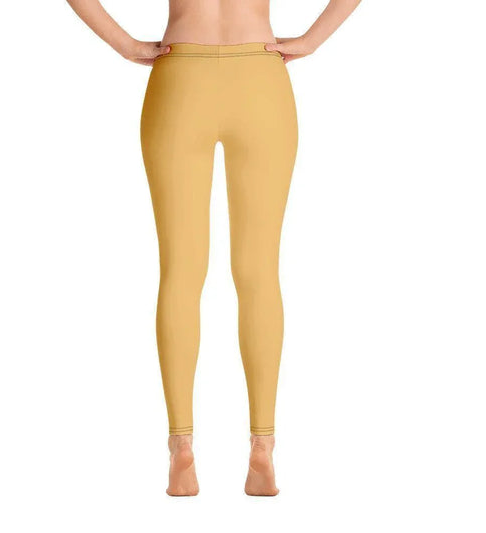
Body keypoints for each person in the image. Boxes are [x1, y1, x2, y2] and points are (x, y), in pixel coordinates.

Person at [66, 0, 361, 496]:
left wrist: (127, 45)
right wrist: (311, 40)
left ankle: (181, 447)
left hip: (180, 76)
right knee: (259, 272)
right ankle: (262, 447)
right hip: (261, 80)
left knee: (180, 273)